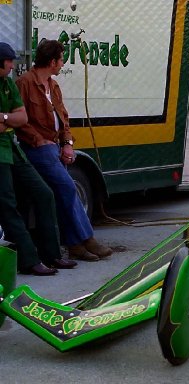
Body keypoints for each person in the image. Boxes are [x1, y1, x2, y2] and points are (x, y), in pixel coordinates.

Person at [16, 39, 113, 262]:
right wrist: (39, 140)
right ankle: (86, 239)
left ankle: (75, 245)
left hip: (54, 146)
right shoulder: (25, 83)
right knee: (68, 187)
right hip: (36, 148)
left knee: (63, 191)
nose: (62, 65)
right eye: (61, 60)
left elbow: (64, 118)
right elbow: (20, 120)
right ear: (52, 62)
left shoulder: (54, 86)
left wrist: (67, 143)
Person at [0, 42, 77, 275]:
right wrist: (10, 119)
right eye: (9, 61)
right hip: (13, 151)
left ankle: (51, 254)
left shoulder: (7, 85)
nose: (13, 65)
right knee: (8, 204)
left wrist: (4, 117)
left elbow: (21, 117)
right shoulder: (23, 83)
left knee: (44, 194)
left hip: (14, 150)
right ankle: (28, 260)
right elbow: (22, 122)